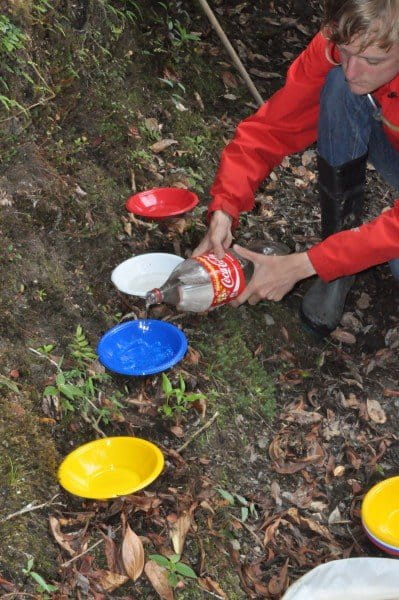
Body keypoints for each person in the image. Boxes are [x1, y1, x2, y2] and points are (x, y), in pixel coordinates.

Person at [192, 0, 399, 337]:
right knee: (336, 87)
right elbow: (273, 128)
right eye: (346, 52)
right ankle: (338, 262)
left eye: (372, 61)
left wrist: (304, 265)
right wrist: (224, 208)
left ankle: (336, 260)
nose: (352, 70)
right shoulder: (336, 46)